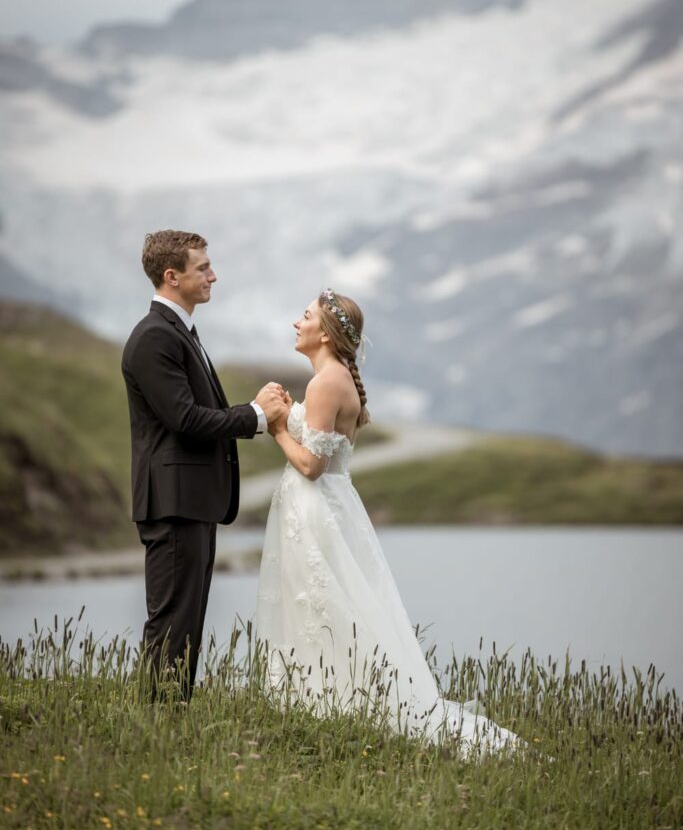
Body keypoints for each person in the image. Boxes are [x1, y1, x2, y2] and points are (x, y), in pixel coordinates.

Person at [255, 288, 520, 752]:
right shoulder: (335, 379)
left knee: (321, 603)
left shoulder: (325, 383)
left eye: (305, 316)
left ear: (326, 333)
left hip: (314, 508)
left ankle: (328, 700)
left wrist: (278, 426)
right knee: (323, 603)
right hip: (327, 508)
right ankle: (319, 697)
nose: (297, 323)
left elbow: (312, 466)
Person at [122, 229, 286, 699]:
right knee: (173, 619)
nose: (213, 275)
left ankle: (170, 719)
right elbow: (184, 419)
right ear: (172, 277)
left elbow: (192, 413)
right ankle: (157, 723)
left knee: (186, 620)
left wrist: (253, 410)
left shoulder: (177, 331)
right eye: (203, 268)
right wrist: (255, 415)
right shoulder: (154, 336)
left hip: (191, 503)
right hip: (172, 504)